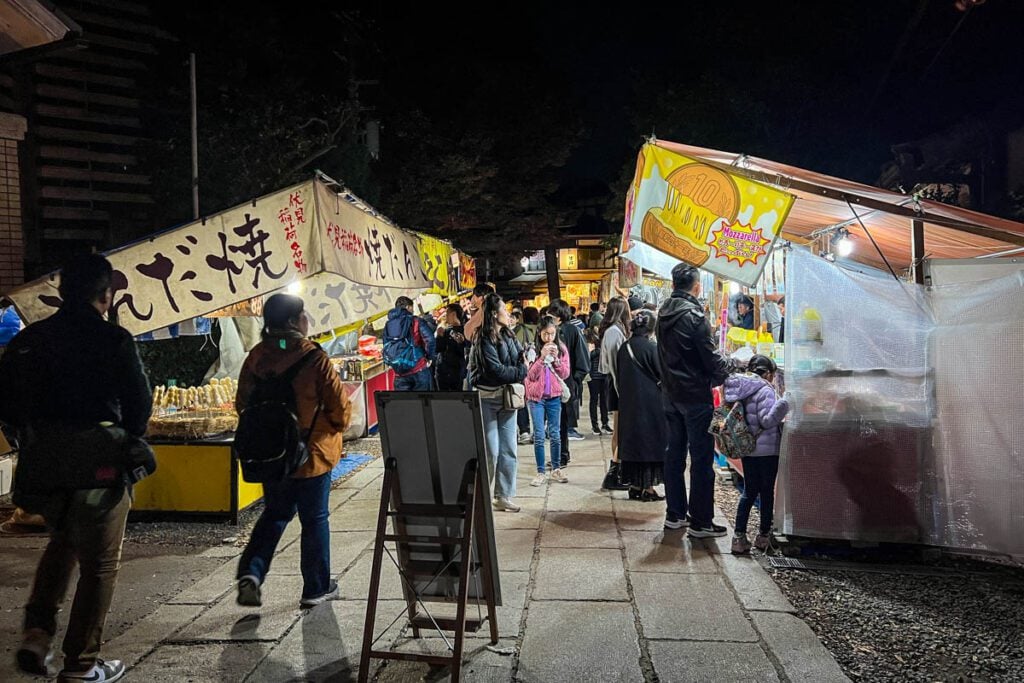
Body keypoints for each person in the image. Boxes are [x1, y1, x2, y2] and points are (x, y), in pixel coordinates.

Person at [0, 254, 153, 682]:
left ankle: (36, 631)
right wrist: (124, 440)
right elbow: (139, 408)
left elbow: (6, 404)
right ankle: (82, 664)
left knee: (62, 541)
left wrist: (32, 439)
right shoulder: (113, 341)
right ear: (106, 295)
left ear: (62, 293)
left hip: (43, 463)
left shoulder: (30, 342)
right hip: (97, 464)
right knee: (100, 563)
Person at [235, 294, 351, 608]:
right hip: (312, 456)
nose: (307, 319)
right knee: (314, 520)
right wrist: (325, 428)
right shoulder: (314, 358)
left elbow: (242, 405)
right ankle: (315, 588)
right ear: (292, 322)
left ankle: (252, 572)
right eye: (303, 315)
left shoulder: (256, 357)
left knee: (275, 514)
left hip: (273, 456)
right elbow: (340, 411)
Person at [658, 263, 736, 538]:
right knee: (702, 458)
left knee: (674, 456)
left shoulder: (663, 313)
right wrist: (727, 368)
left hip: (670, 394)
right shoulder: (694, 316)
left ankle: (675, 514)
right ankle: (702, 521)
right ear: (696, 286)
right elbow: (709, 357)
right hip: (694, 396)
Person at [724, 355, 789, 554]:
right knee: (766, 492)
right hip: (767, 451)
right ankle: (763, 536)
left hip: (748, 448)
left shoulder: (744, 388)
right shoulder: (765, 390)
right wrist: (785, 401)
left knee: (749, 492)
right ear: (768, 373)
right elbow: (767, 421)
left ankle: (739, 536)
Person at [469, 293, 527, 512]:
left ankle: (503, 495)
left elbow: (519, 361)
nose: (508, 313)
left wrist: (519, 368)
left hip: (507, 399)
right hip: (486, 399)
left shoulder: (509, 335)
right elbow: (496, 371)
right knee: (491, 451)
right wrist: (520, 370)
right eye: (505, 309)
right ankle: (481, 496)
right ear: (494, 313)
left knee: (509, 449)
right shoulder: (483, 339)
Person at [615, 310, 667, 501]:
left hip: (629, 402)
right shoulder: (652, 348)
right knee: (649, 444)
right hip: (651, 403)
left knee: (633, 443)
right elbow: (662, 374)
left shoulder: (624, 347)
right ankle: (648, 488)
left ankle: (635, 485)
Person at [524, 316, 570, 487]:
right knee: (539, 435)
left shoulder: (562, 349)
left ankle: (557, 468)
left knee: (556, 434)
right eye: (546, 334)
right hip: (536, 398)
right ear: (539, 333)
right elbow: (530, 375)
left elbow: (565, 373)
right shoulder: (532, 349)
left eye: (552, 334)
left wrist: (557, 360)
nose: (549, 338)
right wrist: (542, 358)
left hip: (554, 397)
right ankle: (540, 471)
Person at [597, 296, 632, 490]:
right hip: (616, 383)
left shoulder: (614, 330)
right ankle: (614, 474)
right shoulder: (614, 332)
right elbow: (615, 363)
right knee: (620, 430)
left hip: (616, 382)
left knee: (619, 429)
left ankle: (617, 471)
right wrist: (623, 390)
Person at [549, 299, 590, 463]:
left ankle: (561, 456)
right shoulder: (553, 330)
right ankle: (559, 456)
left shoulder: (570, 331)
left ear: (558, 315)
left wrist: (575, 379)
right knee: (557, 422)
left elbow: (582, 359)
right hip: (559, 382)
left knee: (560, 422)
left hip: (565, 382)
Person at [384, 296, 436, 391]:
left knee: (404, 404)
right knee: (423, 402)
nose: (413, 311)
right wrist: (429, 358)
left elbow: (386, 346)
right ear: (408, 307)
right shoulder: (416, 321)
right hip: (419, 369)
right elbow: (430, 340)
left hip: (399, 373)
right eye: (412, 308)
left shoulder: (388, 325)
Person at [514, 307, 540, 444]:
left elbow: (515, 349)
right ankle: (539, 431)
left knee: (522, 399)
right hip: (540, 369)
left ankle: (524, 430)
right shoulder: (542, 329)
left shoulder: (519, 330)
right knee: (537, 399)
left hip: (524, 368)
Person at [434, 303, 469, 391]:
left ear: (453, 314)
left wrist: (461, 342)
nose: (446, 316)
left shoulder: (465, 331)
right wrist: (439, 336)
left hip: (457, 372)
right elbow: (439, 349)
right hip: (442, 372)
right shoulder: (445, 331)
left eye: (447, 313)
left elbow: (465, 352)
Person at [587, 344, 610, 436]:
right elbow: (588, 357)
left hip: (604, 376)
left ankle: (605, 423)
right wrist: (597, 351)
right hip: (593, 377)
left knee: (604, 400)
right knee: (594, 399)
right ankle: (594, 425)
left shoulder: (606, 345)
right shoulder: (593, 345)